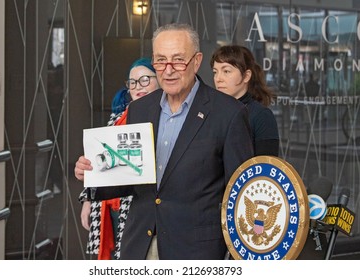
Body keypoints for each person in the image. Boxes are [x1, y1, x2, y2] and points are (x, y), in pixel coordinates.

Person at [74, 23, 254, 260]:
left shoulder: (228, 113)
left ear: (196, 61)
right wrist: (93, 172)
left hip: (196, 252)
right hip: (139, 246)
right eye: (160, 61)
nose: (168, 70)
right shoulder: (139, 109)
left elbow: (242, 192)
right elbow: (130, 176)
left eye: (178, 60)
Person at [77, 57, 159, 259]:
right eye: (132, 82)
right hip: (107, 207)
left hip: (138, 209)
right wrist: (88, 198)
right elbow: (100, 165)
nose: (138, 86)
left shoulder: (165, 119)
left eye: (145, 80)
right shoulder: (117, 118)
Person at [210, 45, 279, 156]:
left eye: (226, 71)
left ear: (246, 76)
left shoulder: (261, 116)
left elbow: (266, 167)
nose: (218, 79)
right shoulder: (211, 111)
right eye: (215, 72)